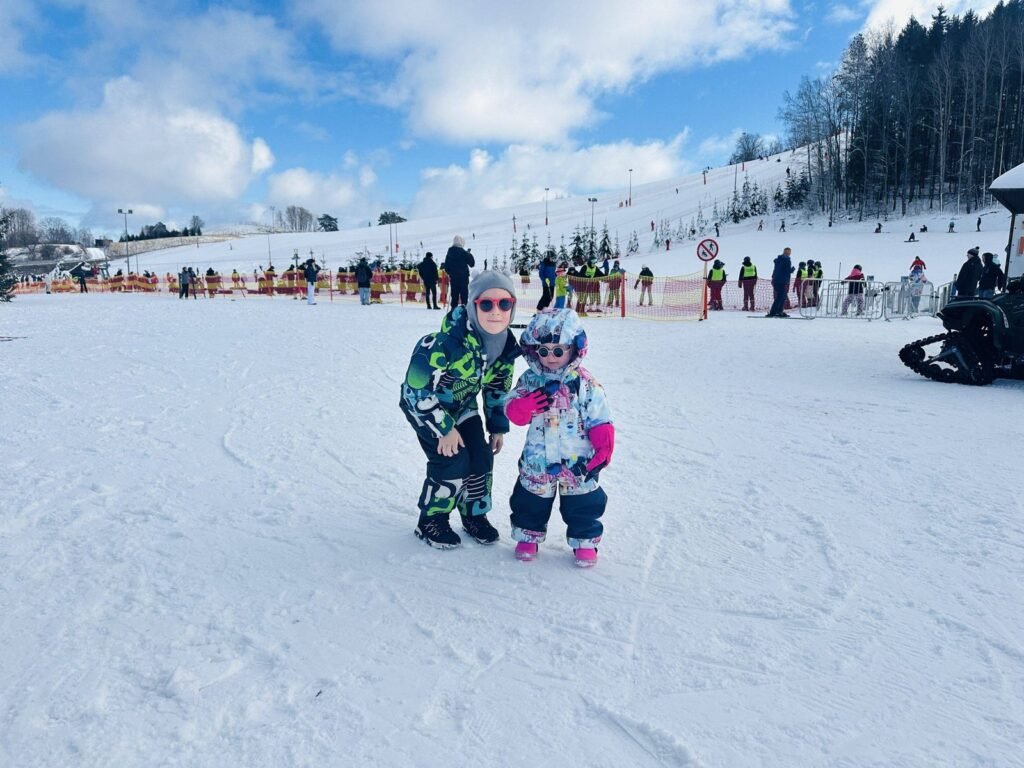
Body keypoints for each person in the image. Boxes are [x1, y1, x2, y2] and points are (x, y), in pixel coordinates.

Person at [399, 271, 521, 549]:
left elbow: (497, 387)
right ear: (472, 305)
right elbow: (415, 391)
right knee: (452, 460)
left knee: (480, 456)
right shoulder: (443, 343)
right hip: (427, 408)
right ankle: (432, 520)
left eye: (504, 304)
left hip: (463, 405)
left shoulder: (506, 345)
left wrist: (497, 427)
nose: (496, 311)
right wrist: (444, 428)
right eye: (486, 304)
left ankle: (474, 514)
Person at [504, 308, 613, 568]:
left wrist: (604, 444)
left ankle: (584, 540)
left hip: (578, 460)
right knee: (530, 500)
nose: (550, 357)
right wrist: (524, 406)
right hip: (538, 458)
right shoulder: (530, 380)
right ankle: (528, 535)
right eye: (543, 351)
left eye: (558, 350)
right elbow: (512, 409)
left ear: (574, 347)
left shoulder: (584, 383)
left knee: (583, 502)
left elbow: (599, 415)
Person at [442, 235, 475, 307]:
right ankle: (464, 310)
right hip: (463, 277)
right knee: (464, 296)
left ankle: (453, 310)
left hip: (453, 278)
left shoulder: (449, 253)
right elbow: (472, 264)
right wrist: (469, 254)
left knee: (454, 296)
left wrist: (451, 273)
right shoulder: (464, 253)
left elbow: (446, 267)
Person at [767, 247, 793, 317]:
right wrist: (792, 270)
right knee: (780, 297)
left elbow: (776, 270)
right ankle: (773, 312)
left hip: (776, 280)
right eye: (788, 253)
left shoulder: (778, 260)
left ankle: (779, 311)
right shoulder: (787, 260)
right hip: (782, 281)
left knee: (782, 296)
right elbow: (787, 270)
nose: (789, 254)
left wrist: (773, 278)